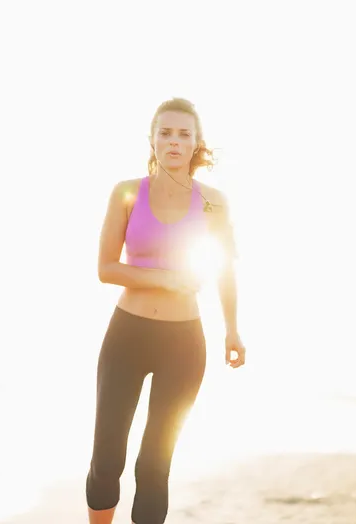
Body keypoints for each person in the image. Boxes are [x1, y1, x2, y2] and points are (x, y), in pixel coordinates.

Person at [86, 97, 246, 524]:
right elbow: (105, 268)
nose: (174, 141)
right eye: (166, 132)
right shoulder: (125, 192)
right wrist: (165, 279)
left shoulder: (214, 202)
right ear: (152, 139)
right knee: (107, 459)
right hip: (127, 336)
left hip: (183, 343)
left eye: (184, 134)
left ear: (197, 144)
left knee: (155, 467)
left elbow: (225, 268)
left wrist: (232, 329)